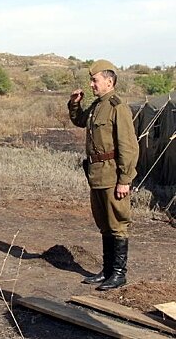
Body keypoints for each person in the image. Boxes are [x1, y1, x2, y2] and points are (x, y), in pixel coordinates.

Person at [68, 59, 139, 290]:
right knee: (104, 224)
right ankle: (108, 270)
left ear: (109, 81)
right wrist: (75, 104)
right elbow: (80, 121)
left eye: (95, 80)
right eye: (91, 80)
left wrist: (125, 180)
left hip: (112, 175)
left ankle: (119, 274)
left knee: (117, 223)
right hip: (96, 174)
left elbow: (128, 146)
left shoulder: (118, 107)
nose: (91, 84)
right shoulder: (98, 106)